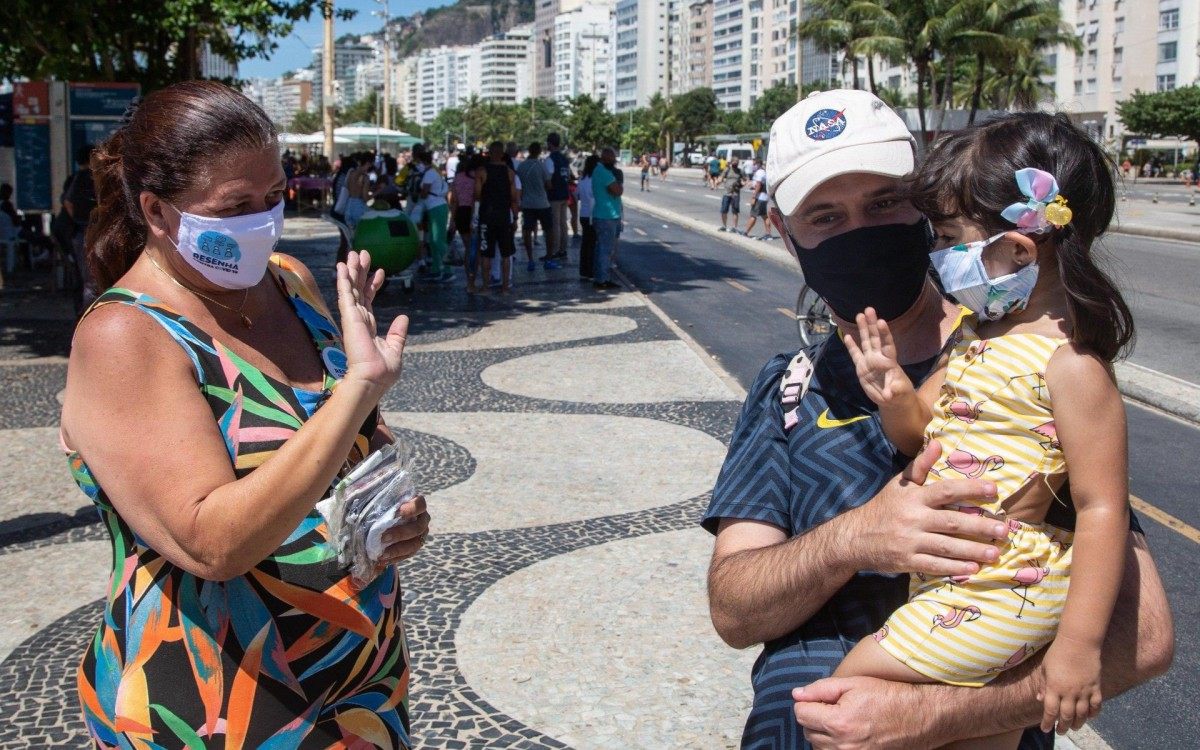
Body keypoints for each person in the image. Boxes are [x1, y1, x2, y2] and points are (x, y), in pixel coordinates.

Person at [702, 89, 1174, 749]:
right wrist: (856, 538)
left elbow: (1143, 635)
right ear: (785, 231)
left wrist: (930, 717)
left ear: (929, 210)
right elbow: (734, 611)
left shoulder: (1022, 371)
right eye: (826, 216)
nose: (860, 233)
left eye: (884, 203)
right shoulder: (788, 386)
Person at [62, 81, 429, 748]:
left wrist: (391, 508)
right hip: (216, 703)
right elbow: (212, 543)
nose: (261, 222)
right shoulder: (124, 335)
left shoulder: (288, 281)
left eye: (273, 197)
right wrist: (360, 387)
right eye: (235, 207)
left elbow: (348, 439)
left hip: (357, 682)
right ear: (157, 210)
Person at [828, 114, 1137, 748]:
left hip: (1007, 583)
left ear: (1019, 250)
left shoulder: (1071, 366)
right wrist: (894, 394)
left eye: (948, 238)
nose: (936, 255)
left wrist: (1078, 648)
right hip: (963, 575)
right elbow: (919, 433)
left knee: (844, 692)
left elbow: (1102, 508)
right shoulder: (976, 333)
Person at [476, 140, 519, 293]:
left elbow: (477, 195)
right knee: (506, 254)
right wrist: (515, 218)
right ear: (502, 154)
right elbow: (514, 199)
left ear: (489, 153)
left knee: (486, 253)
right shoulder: (509, 172)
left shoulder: (482, 171)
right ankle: (505, 286)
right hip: (503, 216)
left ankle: (485, 286)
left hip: (486, 216)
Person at [64, 144, 99, 313]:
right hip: (90, 231)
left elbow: (68, 202)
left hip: (79, 231)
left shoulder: (74, 178)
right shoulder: (90, 177)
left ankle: (83, 312)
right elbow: (68, 202)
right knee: (92, 280)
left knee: (84, 278)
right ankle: (89, 314)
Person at [516, 142, 557, 272]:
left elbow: (518, 184)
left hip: (527, 203)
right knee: (549, 230)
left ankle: (530, 260)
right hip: (542, 203)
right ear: (539, 151)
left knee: (527, 231)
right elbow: (549, 185)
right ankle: (549, 258)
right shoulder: (541, 166)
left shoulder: (521, 166)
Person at [417, 149, 453, 283]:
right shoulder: (433, 171)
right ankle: (436, 269)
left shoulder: (430, 173)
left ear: (422, 161)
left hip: (437, 207)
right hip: (434, 207)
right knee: (433, 240)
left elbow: (424, 193)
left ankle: (448, 270)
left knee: (438, 240)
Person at [590, 147, 622, 291]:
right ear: (607, 159)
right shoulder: (604, 172)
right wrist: (618, 183)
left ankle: (600, 277)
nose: (614, 161)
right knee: (605, 250)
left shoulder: (598, 170)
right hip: (606, 216)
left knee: (601, 249)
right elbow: (617, 190)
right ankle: (602, 279)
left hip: (603, 215)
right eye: (613, 159)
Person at [451, 153, 481, 292]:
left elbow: (454, 201)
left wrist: (452, 221)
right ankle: (472, 281)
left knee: (468, 248)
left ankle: (469, 281)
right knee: (475, 249)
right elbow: (477, 198)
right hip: (475, 212)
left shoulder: (457, 178)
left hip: (461, 213)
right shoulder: (477, 177)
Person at [546, 132, 571, 263]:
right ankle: (563, 249)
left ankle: (554, 250)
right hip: (564, 194)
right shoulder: (565, 159)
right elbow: (569, 176)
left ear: (549, 143)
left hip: (554, 195)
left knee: (555, 224)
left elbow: (548, 180)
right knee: (563, 223)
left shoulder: (550, 159)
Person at [577, 154, 598, 281]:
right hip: (592, 214)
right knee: (592, 244)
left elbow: (577, 195)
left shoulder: (582, 179)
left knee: (585, 243)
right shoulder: (594, 180)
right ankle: (591, 271)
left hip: (583, 214)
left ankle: (583, 270)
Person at [742, 160, 774, 240]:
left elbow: (758, 185)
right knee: (764, 216)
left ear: (758, 164)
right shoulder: (762, 172)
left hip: (760, 197)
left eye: (754, 164)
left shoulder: (759, 173)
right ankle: (768, 234)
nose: (753, 166)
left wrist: (754, 197)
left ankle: (746, 232)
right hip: (764, 197)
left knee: (753, 215)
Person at [718, 158, 744, 232]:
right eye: (734, 162)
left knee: (735, 211)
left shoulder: (740, 171)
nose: (735, 164)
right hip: (727, 193)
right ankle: (724, 226)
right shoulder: (727, 170)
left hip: (735, 193)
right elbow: (721, 177)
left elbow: (745, 180)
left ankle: (734, 227)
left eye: (737, 162)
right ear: (731, 162)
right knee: (724, 210)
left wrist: (742, 184)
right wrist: (719, 181)